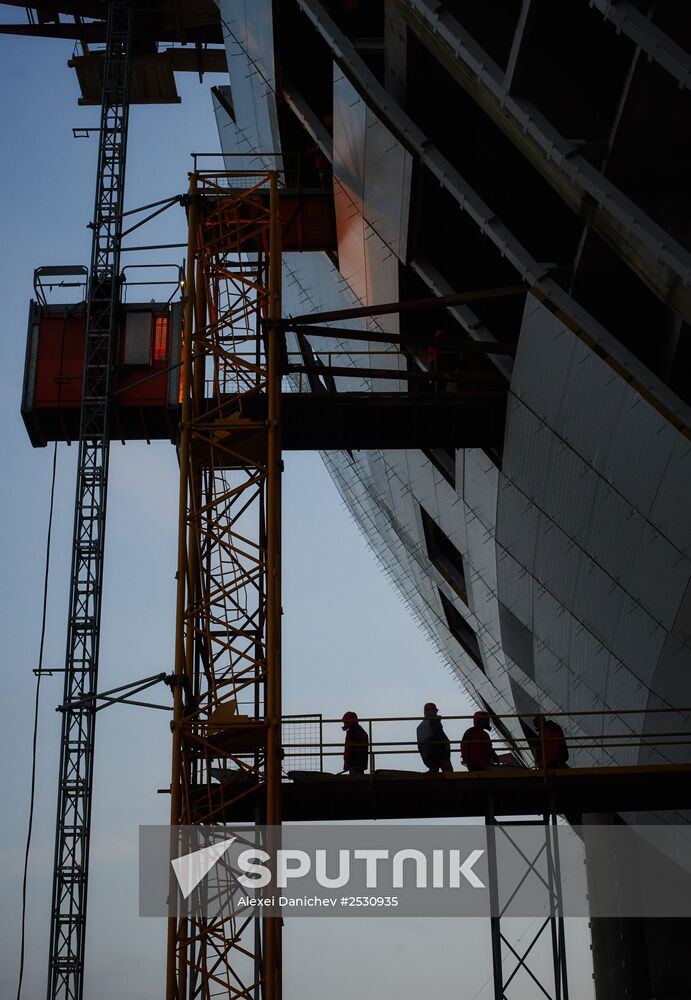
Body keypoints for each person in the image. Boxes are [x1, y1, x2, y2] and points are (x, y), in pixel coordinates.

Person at [416, 702, 453, 773]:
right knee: (448, 771)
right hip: (438, 753)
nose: (436, 713)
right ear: (431, 711)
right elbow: (439, 734)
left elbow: (419, 747)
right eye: (435, 711)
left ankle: (433, 772)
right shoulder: (433, 721)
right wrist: (447, 744)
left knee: (434, 772)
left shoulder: (419, 727)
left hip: (427, 756)